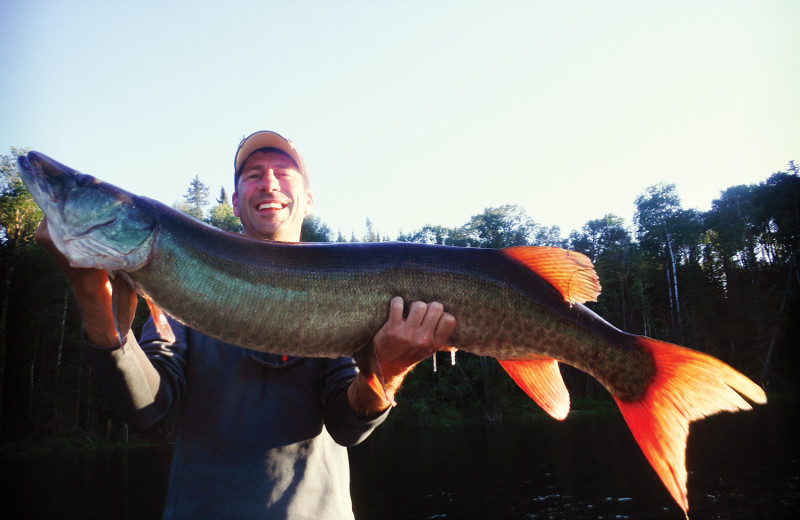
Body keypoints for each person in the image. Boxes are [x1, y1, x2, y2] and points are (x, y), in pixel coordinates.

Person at [34, 131, 457, 519]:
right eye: (253, 175)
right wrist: (92, 296)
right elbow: (148, 408)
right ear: (235, 202)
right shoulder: (178, 283)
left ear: (308, 199)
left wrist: (389, 368)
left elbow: (346, 425)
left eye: (282, 173)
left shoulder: (347, 287)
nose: (269, 183)